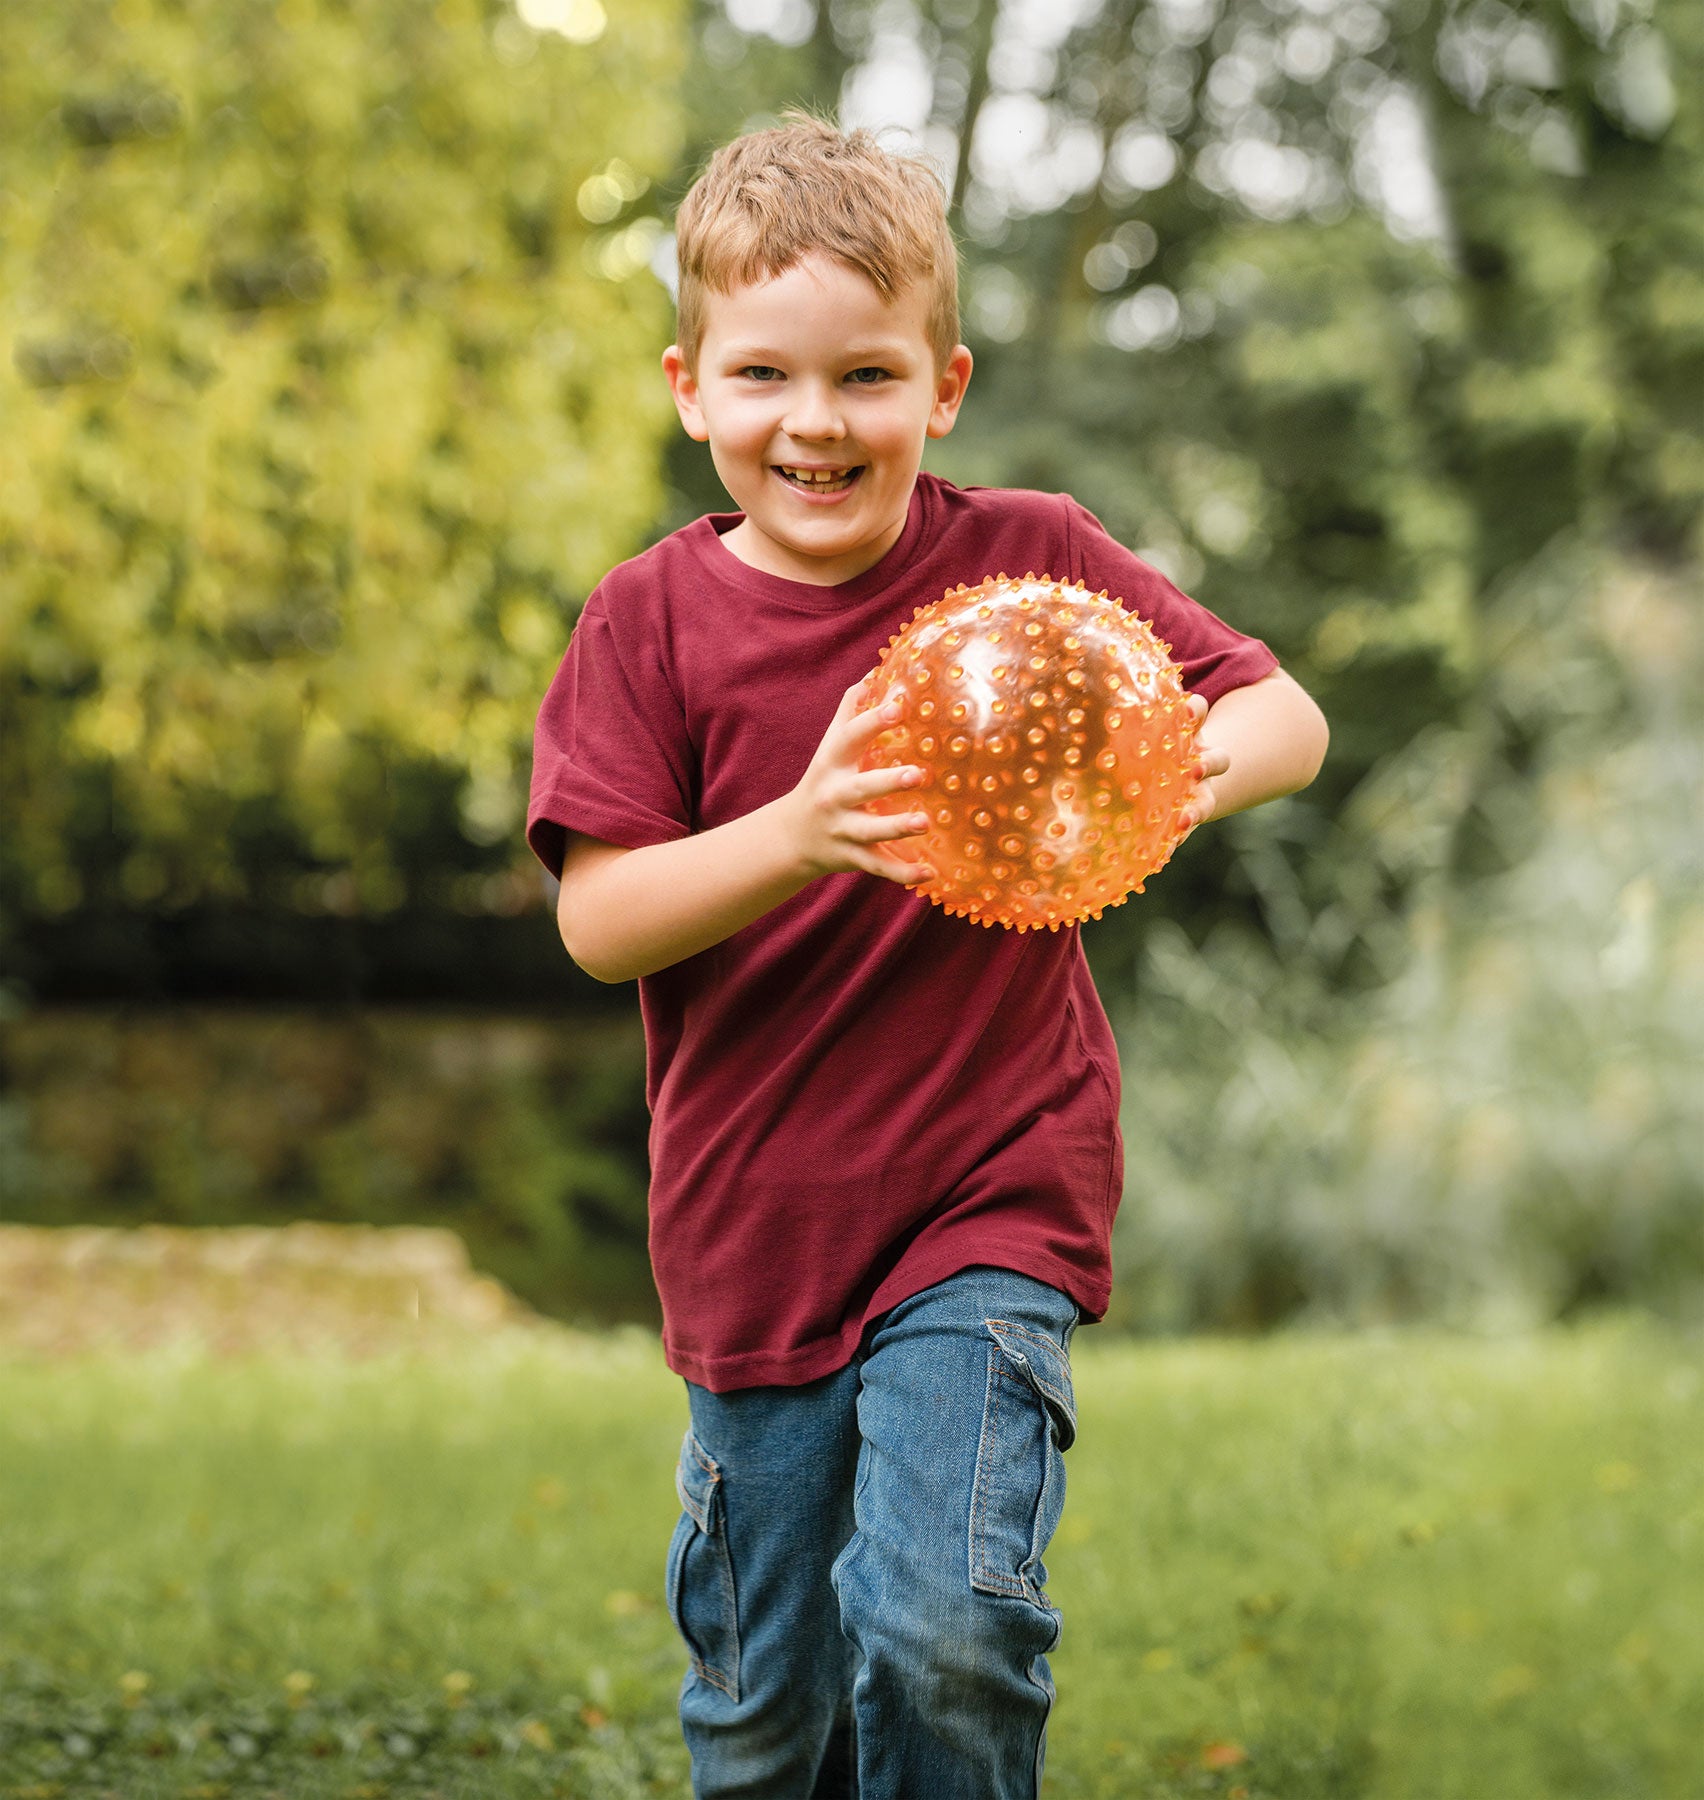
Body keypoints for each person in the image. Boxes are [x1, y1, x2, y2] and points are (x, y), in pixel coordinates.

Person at [527, 115, 1329, 1799]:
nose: (814, 424)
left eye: (867, 378)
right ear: (689, 387)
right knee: (767, 1720)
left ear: (942, 385)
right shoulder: (649, 622)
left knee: (946, 1624)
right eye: (763, 376)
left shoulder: (1027, 562)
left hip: (990, 1194)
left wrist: (1147, 784)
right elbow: (601, 923)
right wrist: (805, 830)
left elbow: (1283, 717)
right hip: (756, 1230)